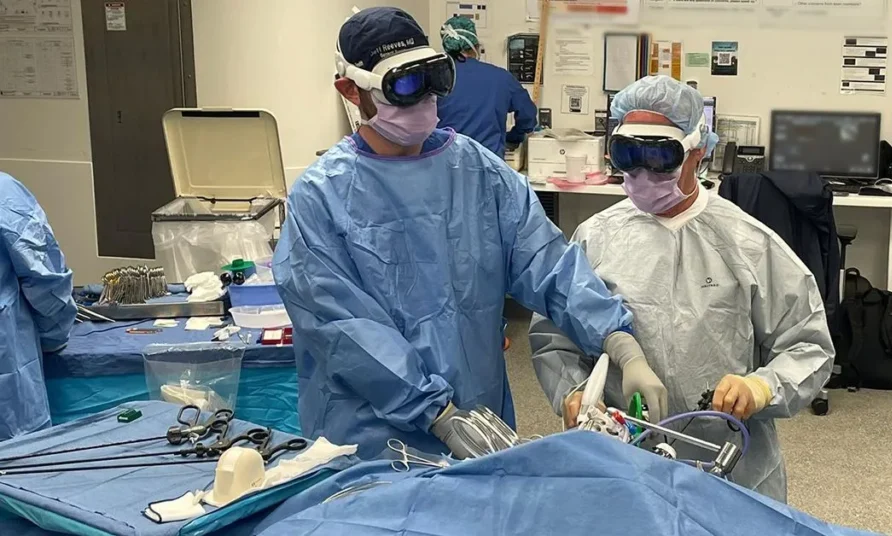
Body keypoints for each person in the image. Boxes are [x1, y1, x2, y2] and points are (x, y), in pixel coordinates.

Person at [272, 7, 666, 460]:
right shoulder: (321, 196)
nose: (423, 100)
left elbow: (547, 264)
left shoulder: (480, 172)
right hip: (373, 435)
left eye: (433, 78)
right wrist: (435, 413)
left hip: (480, 418)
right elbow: (343, 328)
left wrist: (618, 340)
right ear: (350, 90)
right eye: (402, 86)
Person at [529, 76, 835, 503]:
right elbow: (554, 335)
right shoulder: (596, 238)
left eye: (658, 156)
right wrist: (574, 394)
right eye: (627, 155)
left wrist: (760, 387)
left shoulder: (748, 243)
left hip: (725, 464)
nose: (640, 173)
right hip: (619, 461)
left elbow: (808, 346)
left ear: (698, 150)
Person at [0, 172, 76, 441]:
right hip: (9, 398)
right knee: (17, 471)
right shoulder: (5, 196)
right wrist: (53, 336)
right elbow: (46, 282)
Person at [435, 15, 537, 157]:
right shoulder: (501, 77)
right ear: (476, 46)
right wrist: (515, 136)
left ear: (447, 48)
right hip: (488, 168)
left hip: (444, 165)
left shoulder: (434, 78)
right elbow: (528, 114)